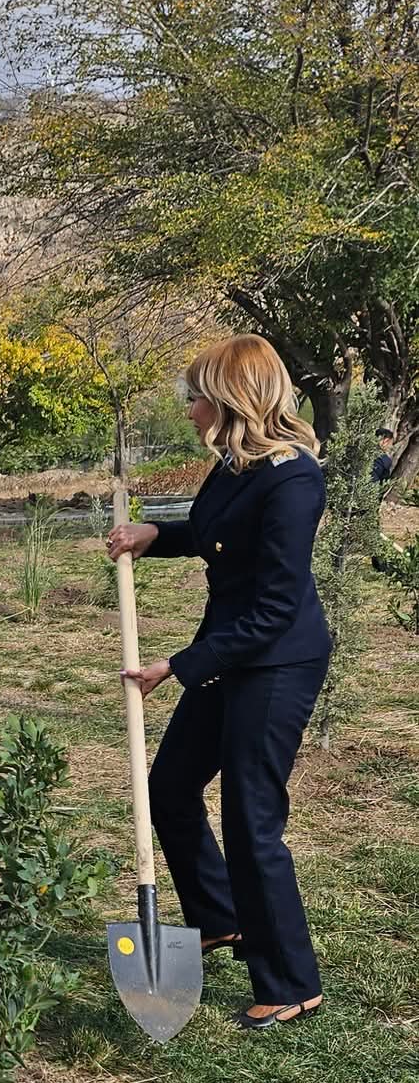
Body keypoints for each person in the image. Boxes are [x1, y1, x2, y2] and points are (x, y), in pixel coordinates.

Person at [108, 334, 329, 1029]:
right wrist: (155, 534)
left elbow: (273, 606)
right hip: (227, 652)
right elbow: (214, 531)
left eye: (197, 395)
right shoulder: (235, 468)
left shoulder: (292, 477)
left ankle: (291, 981)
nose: (191, 409)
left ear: (233, 400)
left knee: (250, 819)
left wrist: (178, 666)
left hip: (273, 660)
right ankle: (218, 918)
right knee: (169, 789)